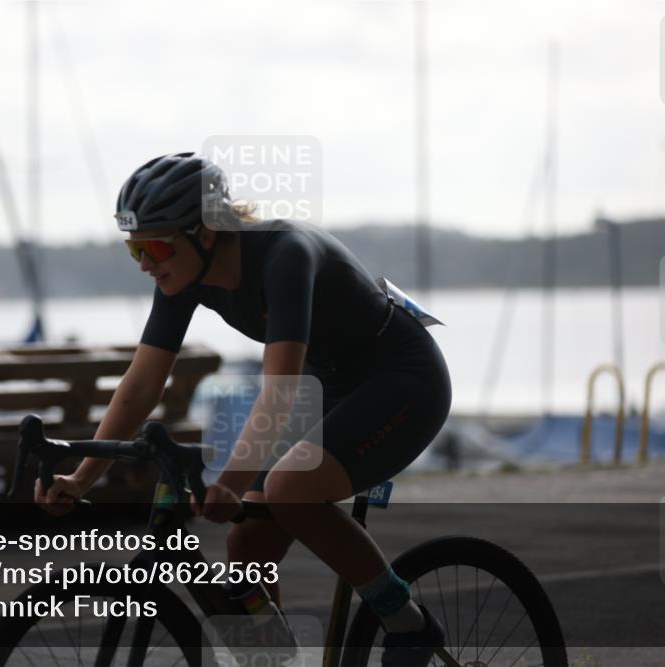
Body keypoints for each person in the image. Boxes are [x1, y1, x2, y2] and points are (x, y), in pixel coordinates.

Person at [35, 152, 452, 665]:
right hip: (329, 384)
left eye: (155, 246)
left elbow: (278, 391)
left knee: (288, 490)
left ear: (206, 232)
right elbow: (141, 386)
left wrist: (231, 482)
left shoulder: (285, 256)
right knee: (248, 546)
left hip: (402, 378)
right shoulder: (182, 274)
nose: (145, 263)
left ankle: (408, 624)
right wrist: (82, 477)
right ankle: (275, 661)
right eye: (134, 248)